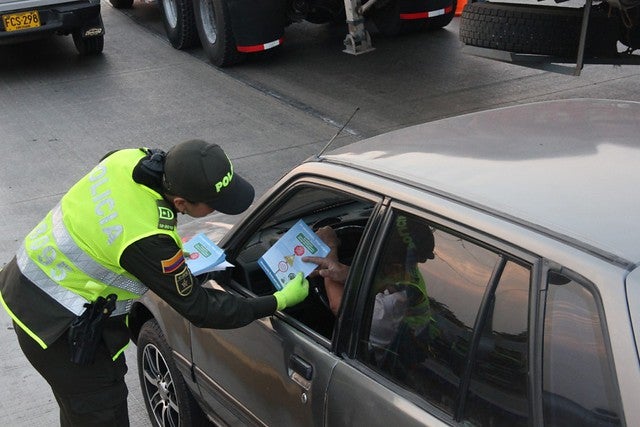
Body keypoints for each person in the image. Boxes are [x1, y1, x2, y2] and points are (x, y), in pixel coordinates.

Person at [0, 140, 308, 426]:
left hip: (27, 284)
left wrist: (159, 253)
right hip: (55, 325)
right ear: (181, 201)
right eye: (214, 204)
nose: (218, 209)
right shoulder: (146, 239)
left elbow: (109, 218)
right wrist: (278, 301)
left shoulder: (127, 158)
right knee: (101, 412)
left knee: (78, 412)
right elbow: (203, 310)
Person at [304, 215, 437, 369]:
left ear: (393, 258)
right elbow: (374, 280)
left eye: (378, 244)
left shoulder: (396, 300)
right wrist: (347, 273)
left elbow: (340, 307)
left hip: (380, 363)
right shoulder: (404, 267)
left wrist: (329, 250)